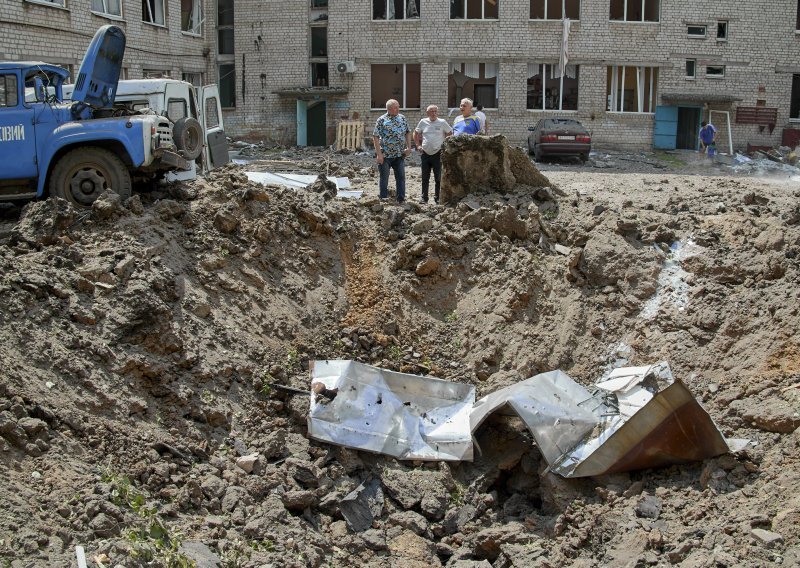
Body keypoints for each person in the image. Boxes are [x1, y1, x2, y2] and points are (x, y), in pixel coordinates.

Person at [372, 98, 412, 202]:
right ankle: (384, 198)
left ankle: (400, 199)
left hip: (399, 154)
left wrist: (409, 147)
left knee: (401, 178)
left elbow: (408, 132)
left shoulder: (402, 118)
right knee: (384, 178)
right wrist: (379, 154)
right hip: (385, 155)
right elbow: (375, 136)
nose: (398, 109)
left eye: (398, 107)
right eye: (396, 107)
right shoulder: (381, 120)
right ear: (389, 109)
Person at [414, 105, 452, 203]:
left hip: (438, 153)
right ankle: (424, 197)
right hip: (425, 153)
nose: (434, 113)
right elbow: (416, 133)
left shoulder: (442, 122)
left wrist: (446, 146)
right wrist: (418, 145)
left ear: (437, 112)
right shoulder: (423, 122)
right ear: (427, 113)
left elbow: (450, 133)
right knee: (425, 177)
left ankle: (437, 197)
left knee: (438, 177)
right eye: (431, 111)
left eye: (435, 111)